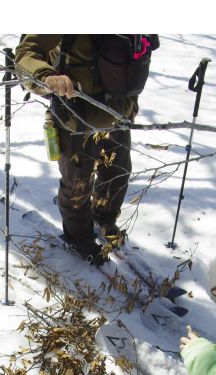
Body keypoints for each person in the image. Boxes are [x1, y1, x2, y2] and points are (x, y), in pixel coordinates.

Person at [15, 35, 146, 266]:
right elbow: (27, 53)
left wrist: (131, 102)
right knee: (77, 183)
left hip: (117, 113)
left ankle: (104, 219)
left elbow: (135, 59)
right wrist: (48, 77)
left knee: (118, 173)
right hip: (76, 114)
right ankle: (78, 237)